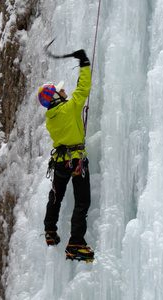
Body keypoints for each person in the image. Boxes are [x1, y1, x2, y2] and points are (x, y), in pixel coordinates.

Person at [38, 50, 94, 261]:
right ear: (54, 96)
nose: (64, 92)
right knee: (82, 202)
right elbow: (83, 88)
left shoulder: (50, 119)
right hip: (76, 161)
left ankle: (50, 231)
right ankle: (75, 243)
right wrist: (84, 63)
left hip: (60, 163)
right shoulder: (70, 108)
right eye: (60, 91)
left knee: (56, 196)